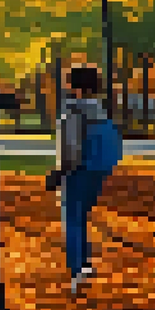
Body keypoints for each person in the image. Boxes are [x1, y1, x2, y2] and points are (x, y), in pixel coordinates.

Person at [46, 65, 123, 295]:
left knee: (72, 218)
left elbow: (71, 148)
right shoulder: (100, 111)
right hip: (98, 169)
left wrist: (60, 172)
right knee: (82, 216)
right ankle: (85, 262)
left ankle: (77, 268)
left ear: (75, 86)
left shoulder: (72, 112)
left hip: (78, 169)